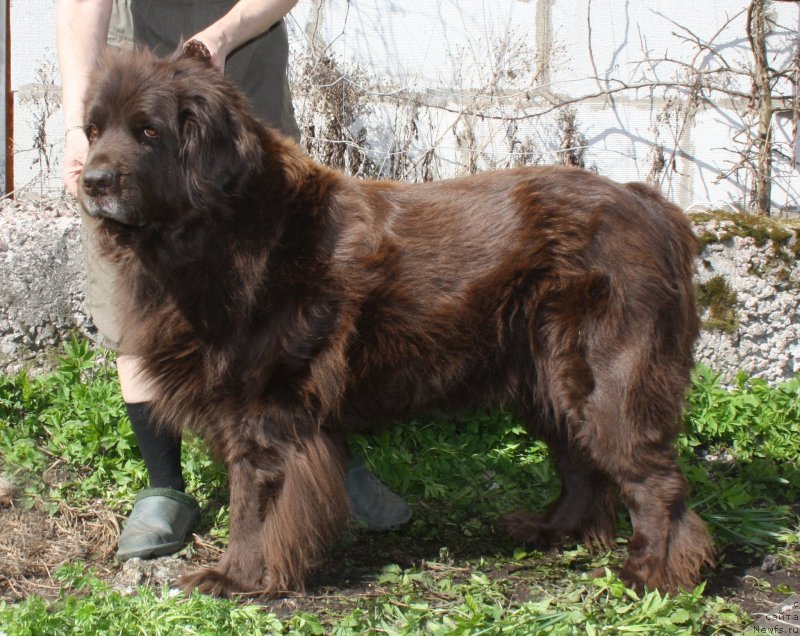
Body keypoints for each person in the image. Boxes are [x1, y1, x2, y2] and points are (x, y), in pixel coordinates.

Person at [56, 0, 411, 561]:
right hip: (129, 53)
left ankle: (323, 457)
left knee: (291, 290)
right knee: (140, 309)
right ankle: (165, 488)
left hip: (241, 47)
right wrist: (81, 125)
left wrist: (222, 37)